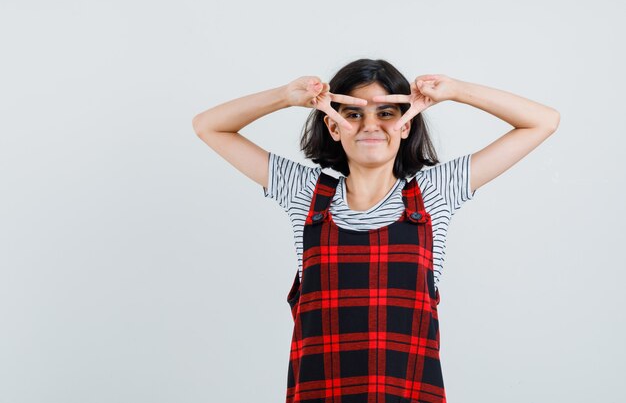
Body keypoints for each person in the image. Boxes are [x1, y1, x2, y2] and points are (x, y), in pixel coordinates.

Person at [192, 58, 559, 403]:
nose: (370, 126)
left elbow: (543, 121)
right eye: (353, 113)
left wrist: (455, 90)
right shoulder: (304, 192)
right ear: (332, 126)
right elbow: (208, 125)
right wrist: (286, 97)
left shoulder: (435, 192)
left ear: (407, 124)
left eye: (386, 113)